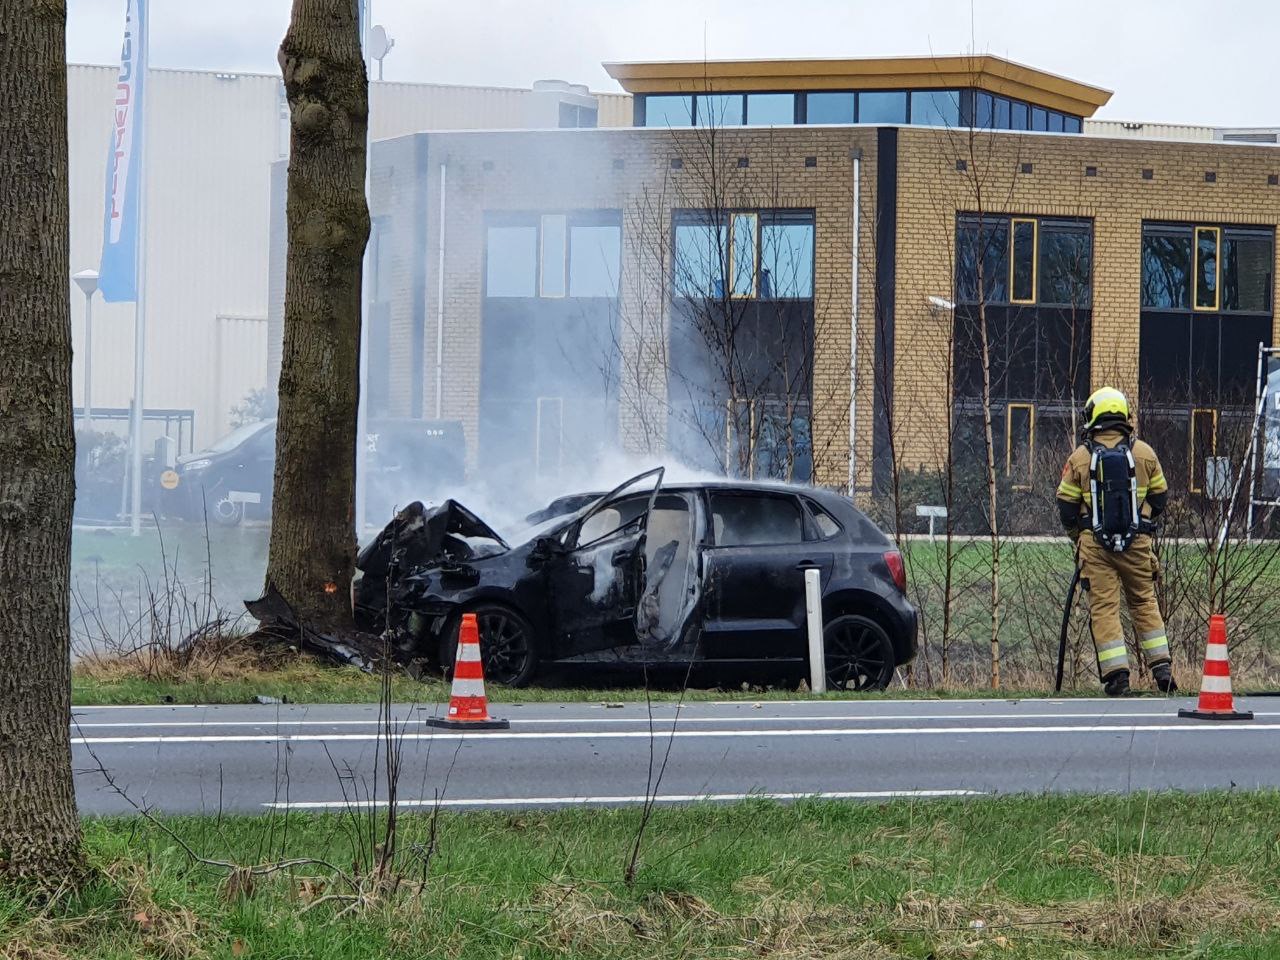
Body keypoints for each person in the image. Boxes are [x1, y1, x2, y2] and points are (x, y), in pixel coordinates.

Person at [1056, 387, 1176, 696]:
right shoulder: (1145, 453)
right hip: (1137, 546)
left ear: (1093, 416)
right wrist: (1144, 522)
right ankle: (1162, 669)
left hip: (1095, 548)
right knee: (1144, 602)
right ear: (1123, 415)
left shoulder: (1080, 458)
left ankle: (1116, 677)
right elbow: (1160, 495)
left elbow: (1067, 508)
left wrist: (1080, 538)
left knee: (1105, 608)